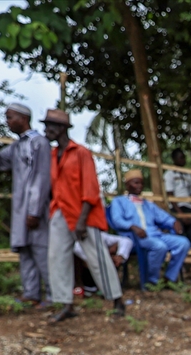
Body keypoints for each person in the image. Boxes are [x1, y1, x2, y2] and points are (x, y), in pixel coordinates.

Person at [42, 109, 125, 323]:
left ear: (61, 129)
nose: (46, 130)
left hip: (82, 214)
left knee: (97, 257)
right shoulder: (52, 155)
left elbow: (91, 189)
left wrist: (82, 220)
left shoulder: (81, 153)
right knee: (57, 258)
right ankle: (65, 304)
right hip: (59, 210)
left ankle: (117, 300)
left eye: (50, 126)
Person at [0, 102, 51, 305]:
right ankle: (31, 294)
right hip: (20, 207)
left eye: (10, 117)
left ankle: (55, 295)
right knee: (25, 249)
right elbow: (0, 162)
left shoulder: (39, 143)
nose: (7, 122)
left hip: (35, 208)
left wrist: (34, 210)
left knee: (41, 249)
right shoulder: (17, 145)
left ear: (23, 118)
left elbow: (42, 178)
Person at [108, 169, 190, 287]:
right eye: (136, 183)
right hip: (135, 237)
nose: (140, 186)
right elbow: (117, 220)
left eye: (141, 183)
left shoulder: (147, 204)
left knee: (183, 243)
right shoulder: (119, 201)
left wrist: (173, 222)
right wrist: (133, 227)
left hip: (155, 235)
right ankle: (152, 281)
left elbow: (163, 217)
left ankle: (169, 278)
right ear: (127, 185)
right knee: (159, 247)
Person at [165, 148, 191, 247]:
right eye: (180, 158)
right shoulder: (169, 174)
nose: (183, 160)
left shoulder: (188, 175)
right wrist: (181, 214)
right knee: (179, 233)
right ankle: (182, 260)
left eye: (184, 158)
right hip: (176, 208)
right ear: (174, 159)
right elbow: (170, 196)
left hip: (189, 208)